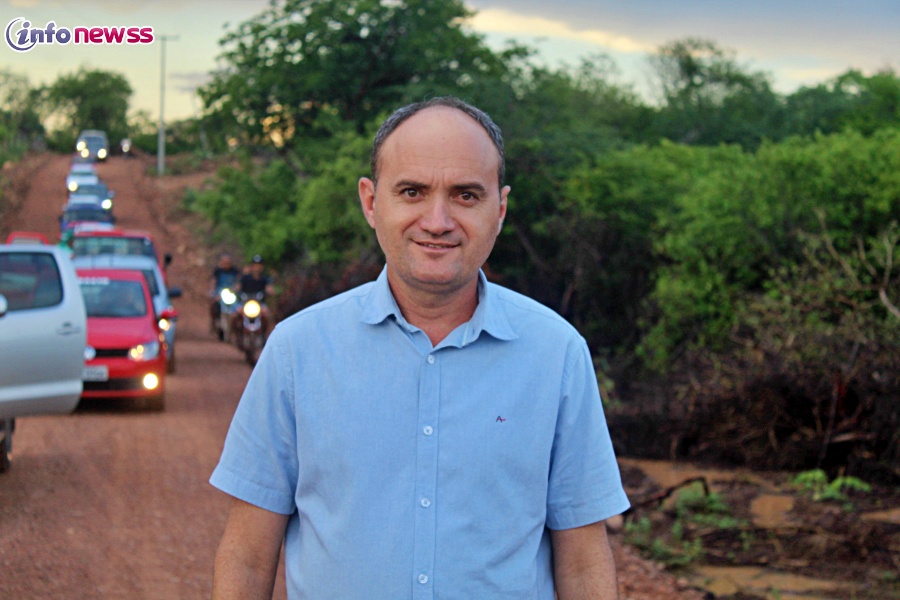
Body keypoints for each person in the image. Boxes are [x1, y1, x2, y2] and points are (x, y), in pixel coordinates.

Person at [210, 96, 630, 599]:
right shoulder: (297, 351)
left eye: (465, 195)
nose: (437, 220)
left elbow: (583, 563)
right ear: (371, 201)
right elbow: (248, 556)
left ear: (500, 208)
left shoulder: (557, 354)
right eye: (412, 191)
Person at [209, 253, 241, 328]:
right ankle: (215, 321)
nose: (226, 264)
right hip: (220, 293)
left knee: (239, 307)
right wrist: (213, 293)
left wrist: (236, 289)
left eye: (228, 262)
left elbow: (239, 282)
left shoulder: (235, 271)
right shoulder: (218, 271)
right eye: (225, 262)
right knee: (215, 305)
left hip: (231, 293)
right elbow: (213, 282)